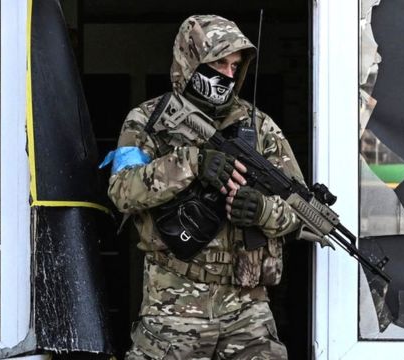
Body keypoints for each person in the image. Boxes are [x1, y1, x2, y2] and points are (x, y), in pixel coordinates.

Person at [106, 14, 308, 359]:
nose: (229, 74)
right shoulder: (148, 120)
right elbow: (122, 191)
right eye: (220, 64)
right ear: (191, 61)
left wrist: (262, 209)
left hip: (247, 307)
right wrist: (190, 164)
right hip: (172, 303)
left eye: (235, 65)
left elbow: (301, 213)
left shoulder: (261, 127)